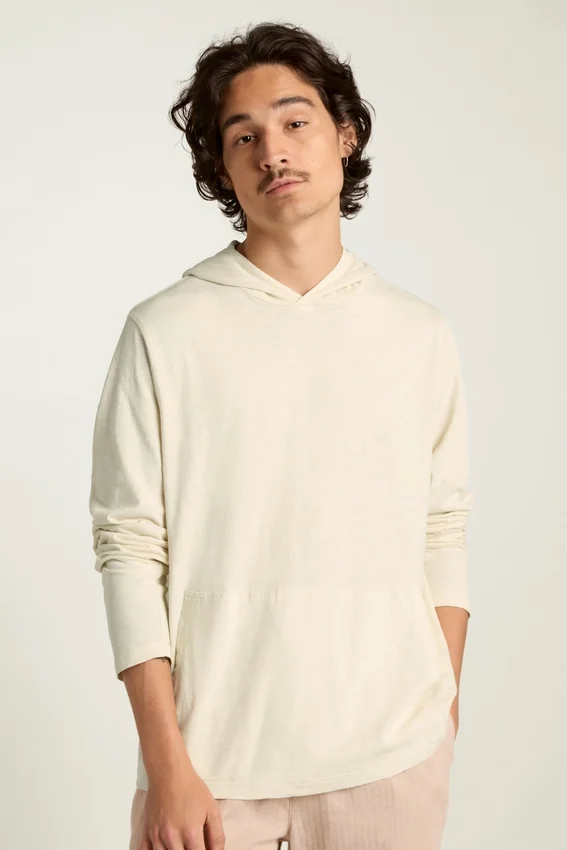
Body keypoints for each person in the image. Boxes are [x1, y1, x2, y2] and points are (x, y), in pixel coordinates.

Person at [89, 20, 474, 850]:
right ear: (221, 167)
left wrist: (440, 710)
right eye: (243, 136)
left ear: (345, 133)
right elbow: (128, 550)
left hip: (391, 761)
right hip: (209, 771)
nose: (273, 151)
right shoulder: (164, 331)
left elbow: (441, 528)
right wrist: (167, 765)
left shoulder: (417, 333)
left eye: (295, 121)